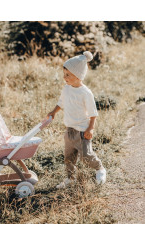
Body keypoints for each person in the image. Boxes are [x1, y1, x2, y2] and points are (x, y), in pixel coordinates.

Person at [47, 51, 106, 189]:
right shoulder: (66, 89)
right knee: (69, 157)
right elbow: (61, 103)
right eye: (64, 74)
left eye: (68, 75)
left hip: (82, 131)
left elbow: (93, 113)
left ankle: (100, 168)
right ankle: (70, 178)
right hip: (69, 130)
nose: (64, 77)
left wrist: (90, 128)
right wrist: (53, 112)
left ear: (78, 75)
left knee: (86, 156)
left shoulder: (85, 93)